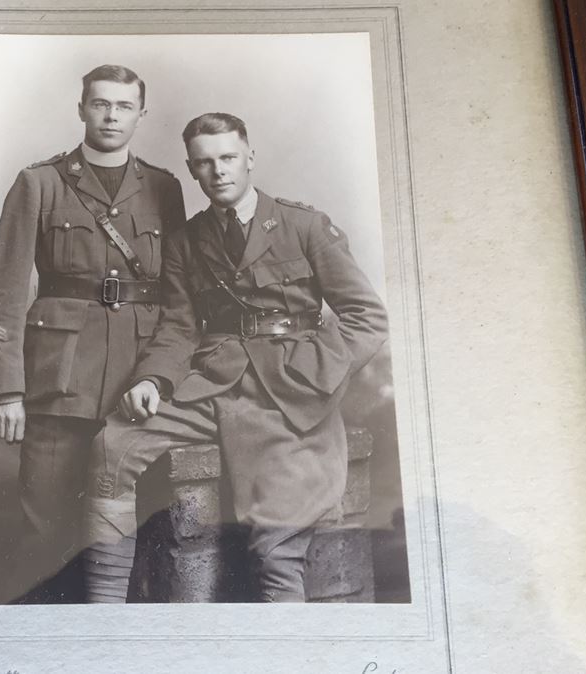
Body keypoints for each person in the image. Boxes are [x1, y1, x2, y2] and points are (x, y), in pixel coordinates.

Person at [82, 112, 388, 603]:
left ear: (250, 157)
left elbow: (366, 317)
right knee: (112, 446)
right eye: (204, 163)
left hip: (291, 392)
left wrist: (320, 377)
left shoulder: (303, 225)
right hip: (216, 382)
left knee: (277, 545)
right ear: (191, 169)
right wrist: (153, 382)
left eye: (227, 157)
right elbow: (179, 327)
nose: (218, 171)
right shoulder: (187, 240)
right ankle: (102, 620)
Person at [0, 65, 185, 603]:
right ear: (82, 108)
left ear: (142, 113)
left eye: (123, 106)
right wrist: (7, 389)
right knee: (47, 531)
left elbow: (178, 297)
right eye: (100, 104)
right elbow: (3, 288)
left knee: (136, 535)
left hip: (138, 390)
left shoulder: (163, 187)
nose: (111, 116)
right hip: (58, 385)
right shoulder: (39, 182)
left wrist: (159, 377)